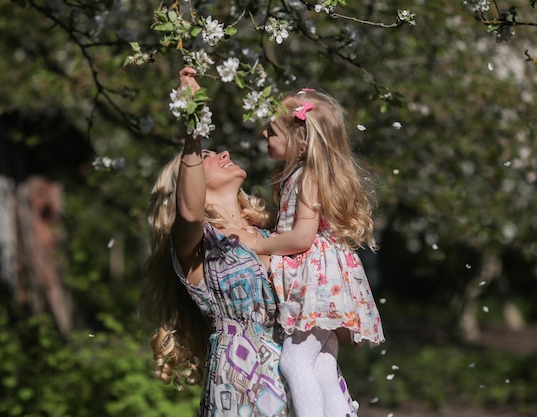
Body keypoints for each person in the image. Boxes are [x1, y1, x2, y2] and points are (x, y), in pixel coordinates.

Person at [140, 67, 291, 417]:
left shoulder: (274, 231)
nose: (222, 153)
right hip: (241, 384)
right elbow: (191, 213)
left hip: (298, 374)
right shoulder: (195, 243)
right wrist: (193, 127)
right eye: (206, 157)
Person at [252, 89, 385, 417]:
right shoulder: (302, 175)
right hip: (322, 279)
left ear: (300, 138)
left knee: (293, 362)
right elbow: (293, 223)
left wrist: (259, 243)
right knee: (323, 366)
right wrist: (264, 220)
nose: (264, 135)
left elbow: (300, 237)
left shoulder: (308, 176)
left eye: (272, 130)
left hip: (318, 280)